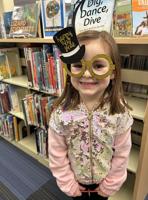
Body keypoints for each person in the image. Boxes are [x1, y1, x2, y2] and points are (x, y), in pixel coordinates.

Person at [48, 29, 133, 200]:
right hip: (75, 183)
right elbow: (56, 153)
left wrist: (110, 185)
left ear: (113, 72)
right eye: (79, 65)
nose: (87, 74)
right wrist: (68, 184)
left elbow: (122, 154)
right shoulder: (61, 113)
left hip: (104, 184)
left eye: (98, 65)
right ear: (69, 69)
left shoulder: (119, 113)